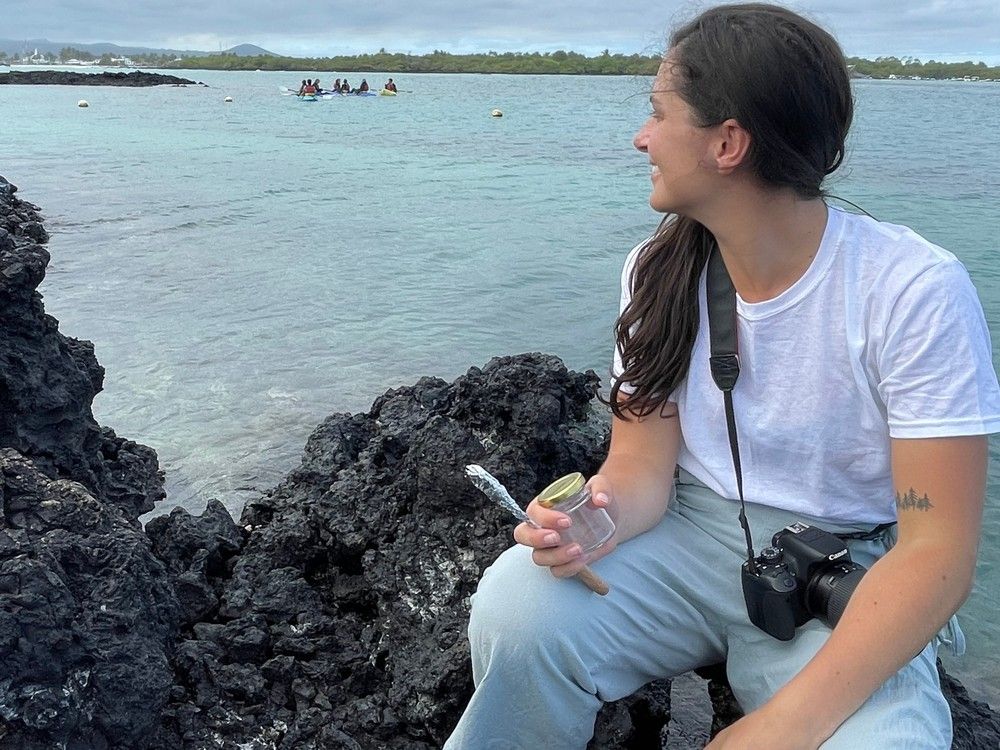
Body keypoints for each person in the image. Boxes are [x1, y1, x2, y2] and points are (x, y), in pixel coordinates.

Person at [445, 3, 1000, 749]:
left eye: (658, 113)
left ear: (728, 143)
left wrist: (780, 727)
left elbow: (937, 552)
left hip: (834, 570)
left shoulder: (912, 289)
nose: (641, 137)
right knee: (518, 603)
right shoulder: (657, 272)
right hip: (689, 537)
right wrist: (589, 525)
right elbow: (641, 471)